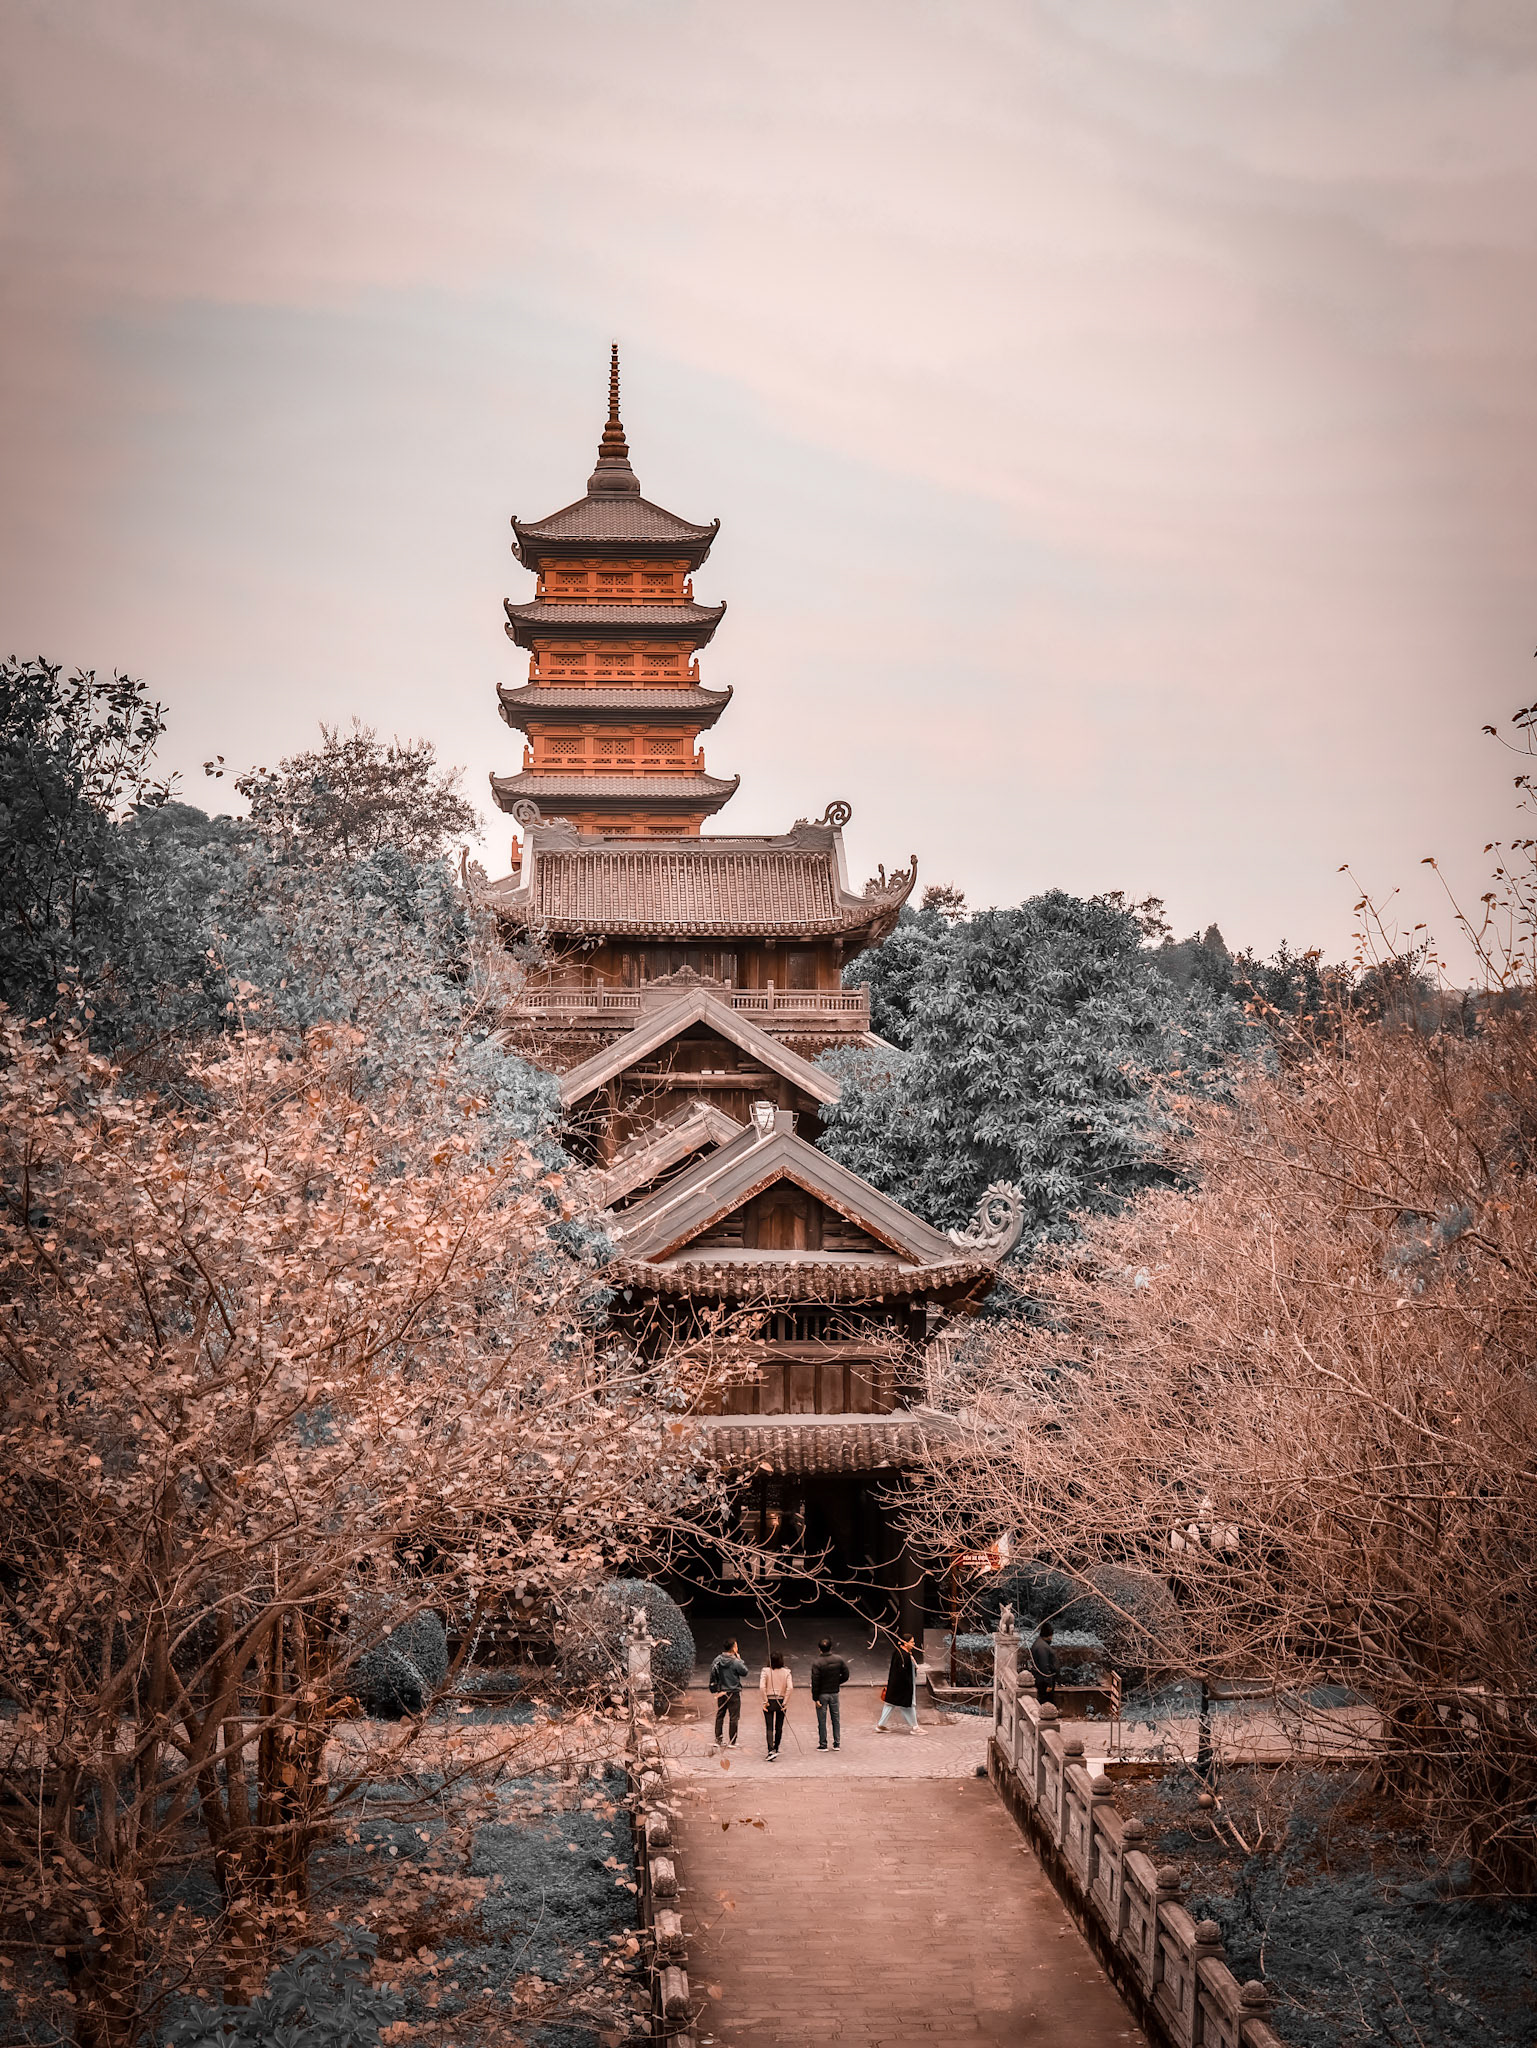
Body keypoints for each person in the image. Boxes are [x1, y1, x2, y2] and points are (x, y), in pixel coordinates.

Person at [809, 1636, 850, 1751]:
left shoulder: (817, 1663)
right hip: (834, 1692)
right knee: (835, 1718)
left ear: (819, 1649)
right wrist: (837, 1682)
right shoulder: (839, 1659)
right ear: (831, 1647)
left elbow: (815, 1681)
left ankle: (823, 1743)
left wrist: (815, 1697)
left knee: (822, 1720)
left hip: (822, 1694)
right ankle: (837, 1743)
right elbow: (846, 1675)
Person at [707, 1637, 749, 1749]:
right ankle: (732, 1741)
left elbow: (713, 1673)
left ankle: (718, 1739)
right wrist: (740, 1659)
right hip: (733, 1692)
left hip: (721, 1691)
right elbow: (744, 1672)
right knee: (734, 1717)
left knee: (720, 1715)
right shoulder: (735, 1662)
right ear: (733, 1648)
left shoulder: (717, 1659)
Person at [876, 1633, 921, 1734]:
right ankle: (915, 1727)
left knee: (890, 1704)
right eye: (912, 1642)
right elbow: (904, 1672)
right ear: (905, 1643)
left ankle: (881, 1725)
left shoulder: (899, 1652)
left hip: (895, 1685)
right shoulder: (904, 1656)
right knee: (908, 1706)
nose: (914, 1644)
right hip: (903, 1686)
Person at [760, 1649, 792, 1759]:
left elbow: (762, 1686)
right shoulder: (786, 1672)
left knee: (769, 1727)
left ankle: (770, 1750)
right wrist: (785, 1701)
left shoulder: (765, 1671)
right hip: (780, 1701)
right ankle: (776, 1747)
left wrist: (765, 1701)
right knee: (779, 1727)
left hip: (769, 1700)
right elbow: (790, 1687)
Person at [1030, 1621, 1059, 1706]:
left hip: (1042, 1678)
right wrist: (1049, 1683)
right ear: (1049, 1635)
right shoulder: (1042, 1647)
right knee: (1046, 1702)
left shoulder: (1039, 1644)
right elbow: (1044, 1666)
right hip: (1044, 1681)